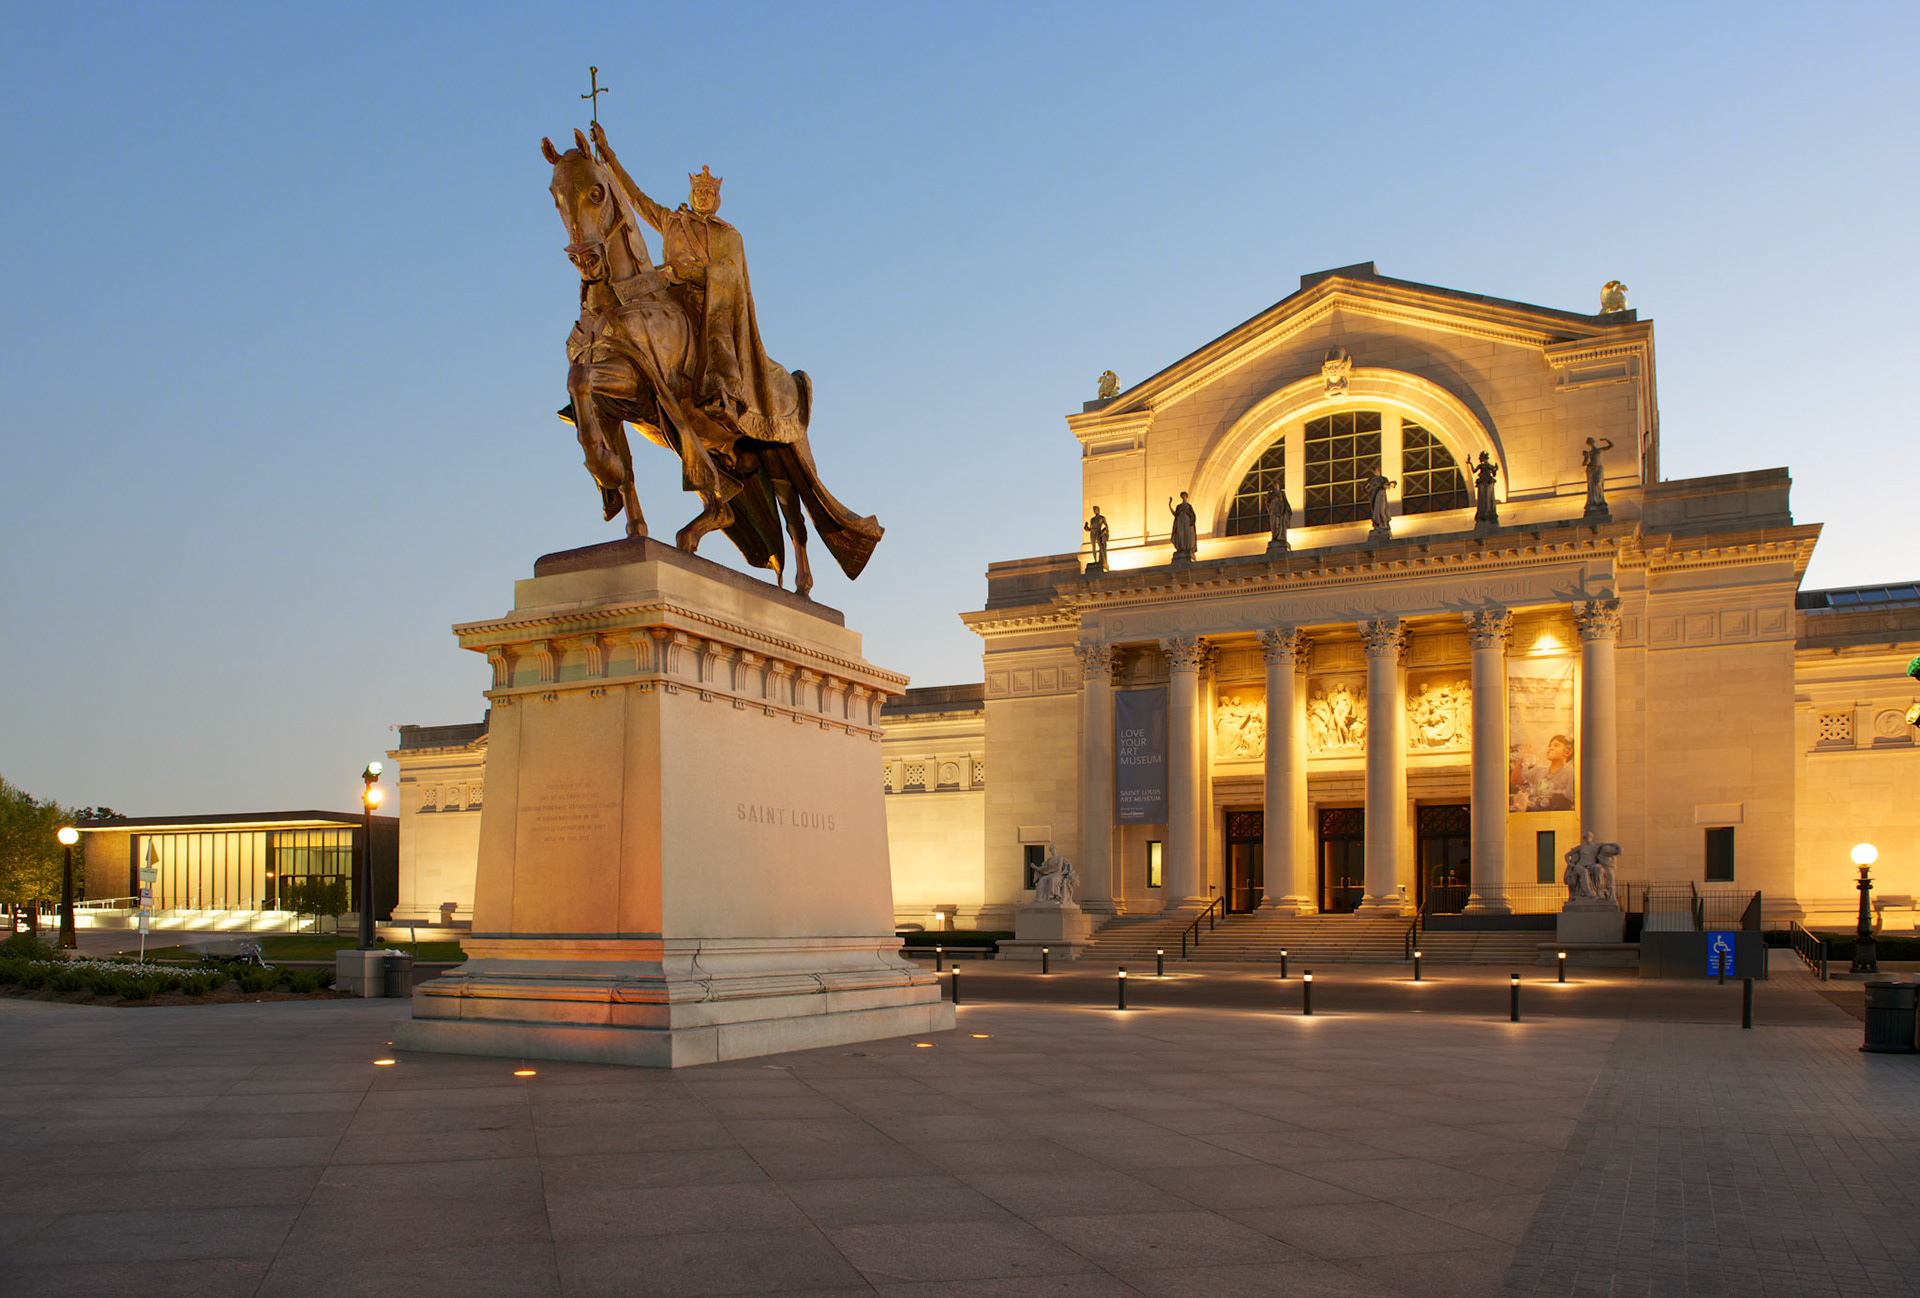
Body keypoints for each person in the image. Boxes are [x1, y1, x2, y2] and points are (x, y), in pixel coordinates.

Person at [590, 124, 805, 445]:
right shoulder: (671, 221)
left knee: (715, 328)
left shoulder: (728, 235)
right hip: (668, 294)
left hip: (707, 300)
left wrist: (686, 273)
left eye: (709, 193)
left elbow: (729, 273)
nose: (703, 197)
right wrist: (608, 157)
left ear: (717, 198)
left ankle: (723, 391)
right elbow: (636, 198)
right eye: (699, 192)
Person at [1582, 437, 1614, 513]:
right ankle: (1594, 502)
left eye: (1591, 441)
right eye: (1589, 442)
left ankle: (1600, 500)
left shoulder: (1598, 450)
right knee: (1593, 486)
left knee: (1598, 483)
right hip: (1591, 469)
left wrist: (1606, 439)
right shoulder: (1589, 453)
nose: (1591, 443)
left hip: (1599, 468)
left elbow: (1611, 446)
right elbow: (1584, 463)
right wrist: (1585, 457)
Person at [1472, 452, 1499, 526]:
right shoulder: (1481, 466)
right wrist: (1470, 463)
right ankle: (1484, 513)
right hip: (1483, 481)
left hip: (1488, 482)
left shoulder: (1489, 466)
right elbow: (1474, 471)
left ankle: (1488, 512)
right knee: (1484, 497)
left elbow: (1494, 474)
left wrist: (1496, 469)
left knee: (1488, 497)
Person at [1169, 492, 1197, 560]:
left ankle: (1187, 548)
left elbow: (1193, 516)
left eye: (1185, 496)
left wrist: (1191, 521)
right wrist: (1170, 505)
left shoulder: (1188, 506)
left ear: (1186, 497)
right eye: (1183, 496)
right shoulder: (1179, 506)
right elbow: (1175, 514)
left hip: (1187, 522)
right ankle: (1181, 547)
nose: (1184, 497)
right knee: (1180, 534)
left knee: (1186, 534)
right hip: (1180, 522)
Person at [1266, 484, 1292, 549]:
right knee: (1274, 524)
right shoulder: (1271, 494)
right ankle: (1275, 537)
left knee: (1279, 524)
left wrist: (1286, 510)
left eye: (1276, 484)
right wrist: (1268, 496)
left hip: (1280, 512)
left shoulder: (1282, 493)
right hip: (1273, 511)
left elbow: (1285, 503)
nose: (1275, 486)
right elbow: (1267, 503)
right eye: (1274, 485)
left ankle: (1280, 537)